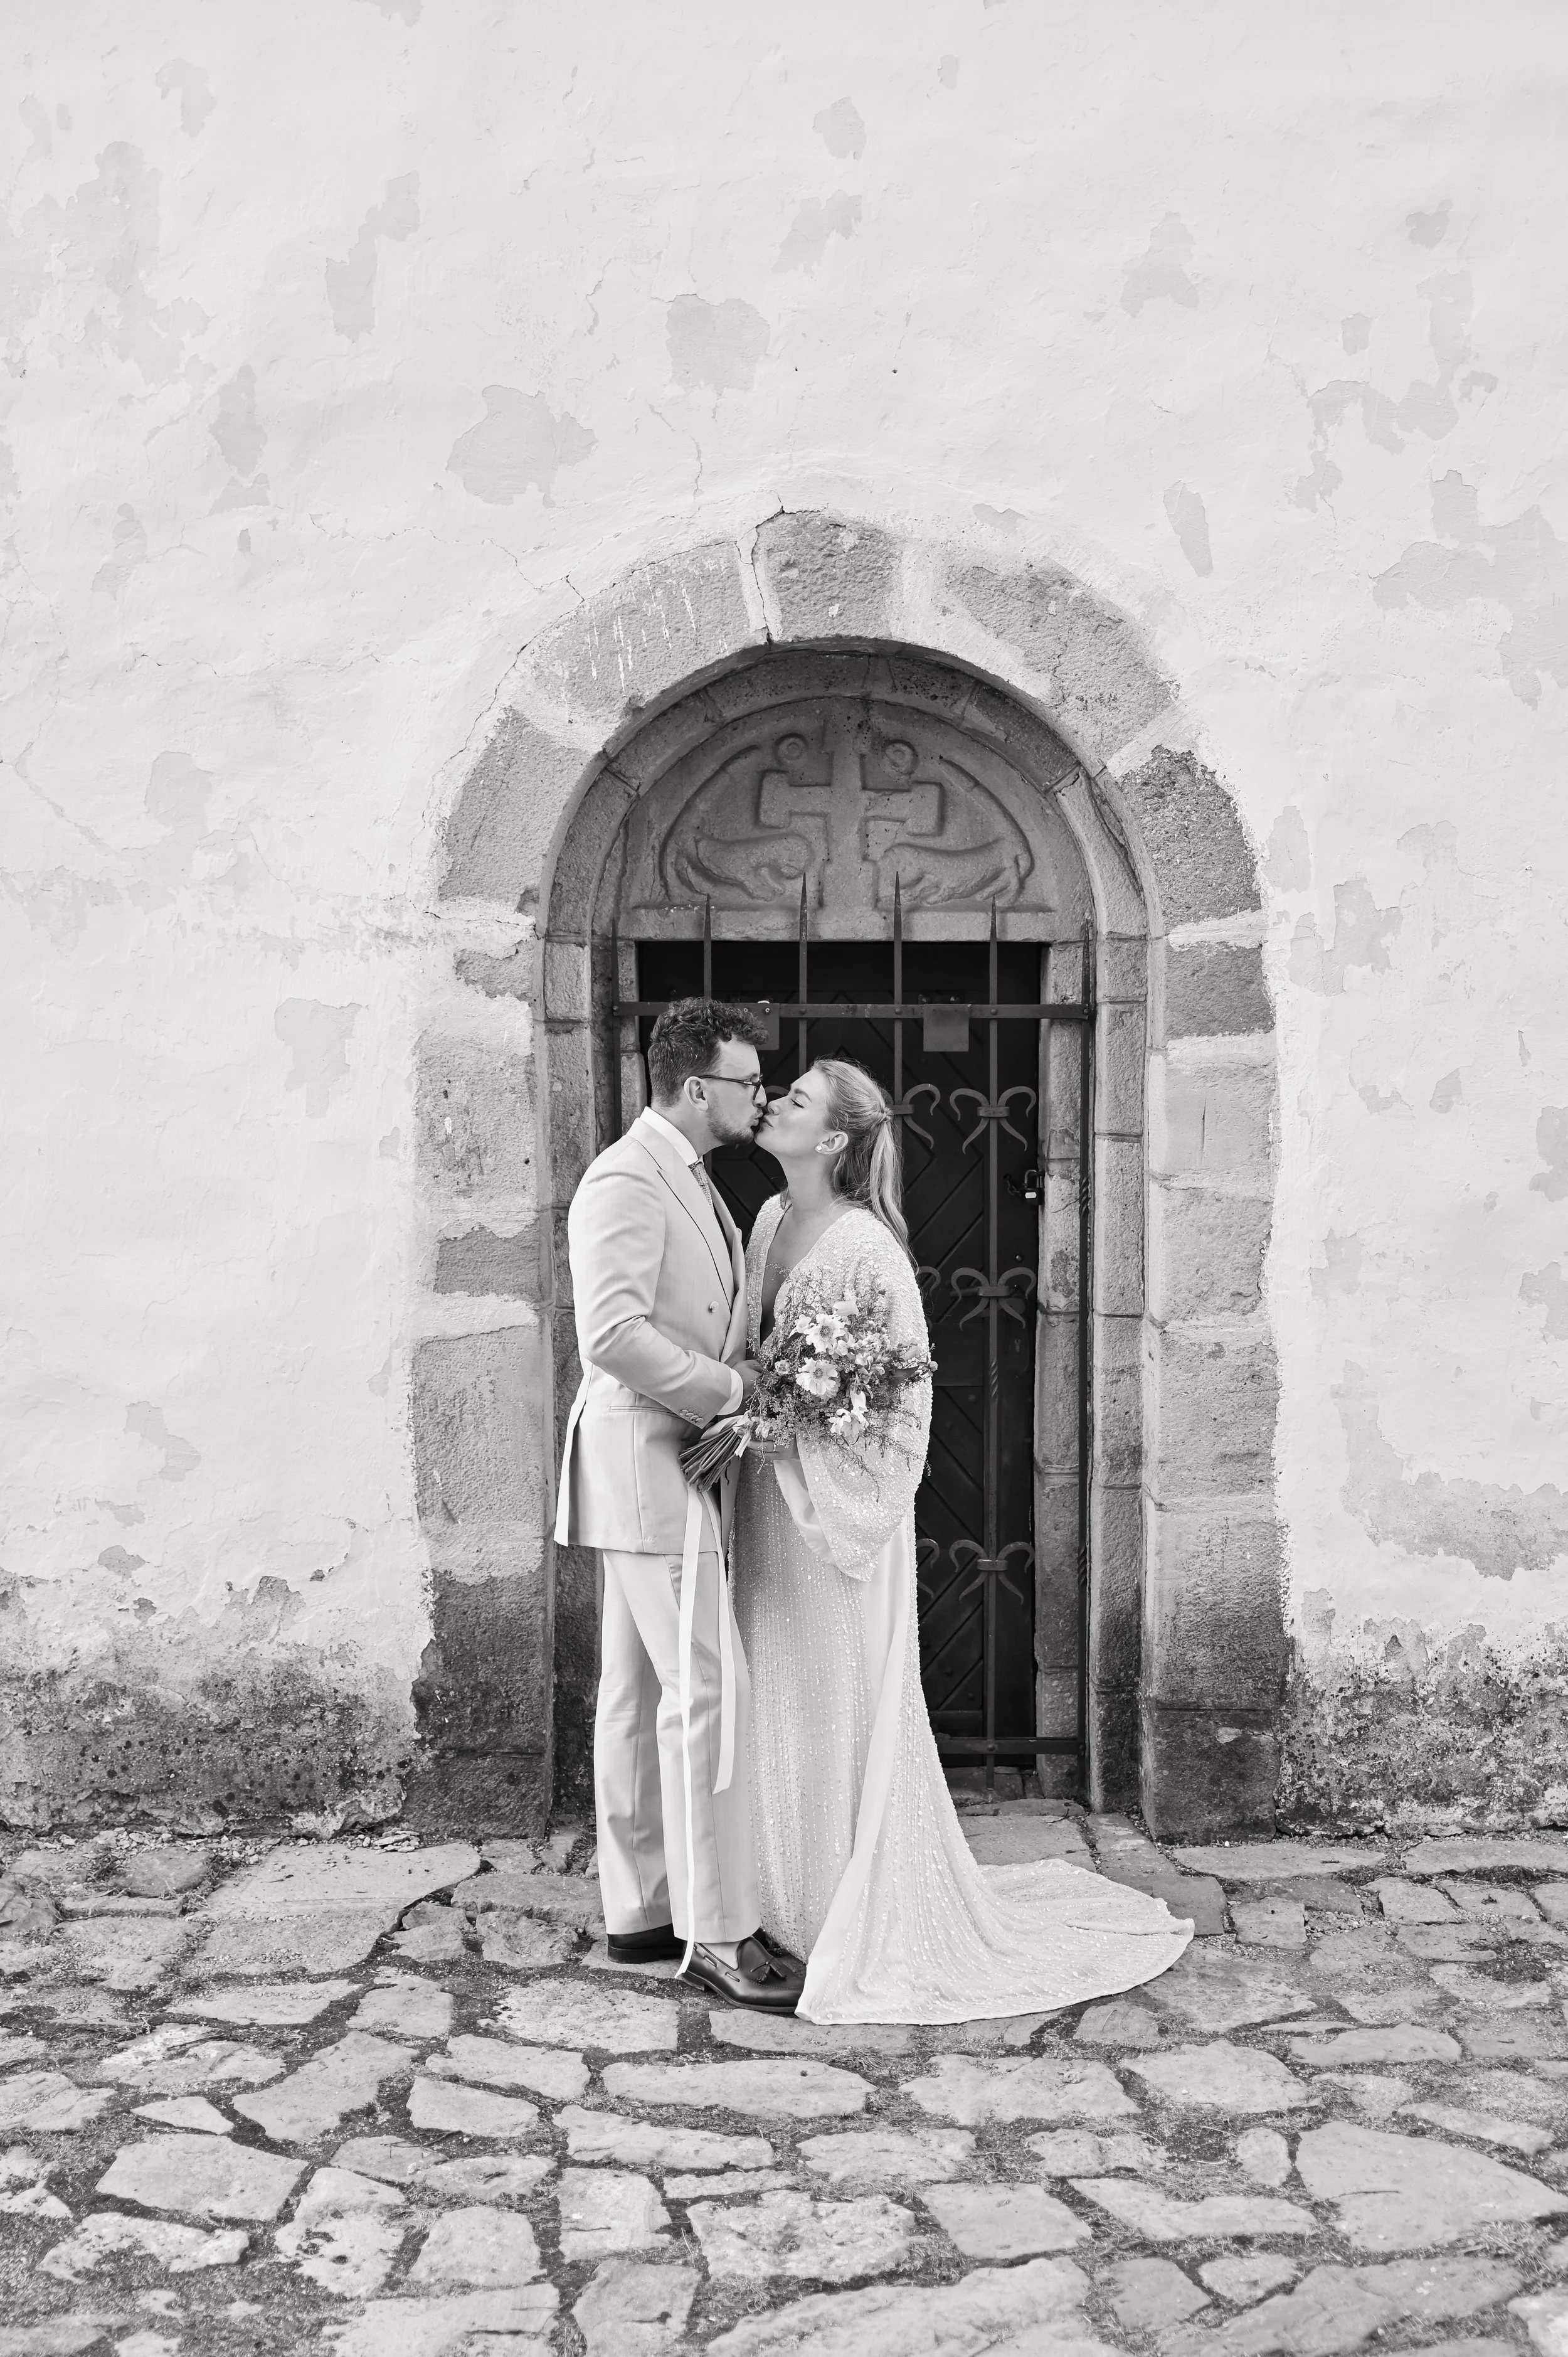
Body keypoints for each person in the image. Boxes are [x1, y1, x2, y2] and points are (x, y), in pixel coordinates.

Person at [733, 1055, 1194, 2023]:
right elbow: (751, 1351)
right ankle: (779, 1894)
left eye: (799, 1098)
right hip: (770, 1504)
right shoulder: (771, 1221)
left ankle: (847, 1908)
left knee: (840, 1694)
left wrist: (803, 1438)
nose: (774, 1099)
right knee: (776, 1688)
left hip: (835, 1523)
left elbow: (903, 1406)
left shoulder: (869, 1251)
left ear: (836, 1140)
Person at [556, 998, 803, 2012]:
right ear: (697, 1086)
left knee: (635, 1692)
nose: (760, 1095)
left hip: (656, 1458)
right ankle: (716, 1932)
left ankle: (642, 1910)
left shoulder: (683, 1172)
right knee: (708, 1692)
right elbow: (610, 1335)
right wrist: (732, 1390)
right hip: (649, 1459)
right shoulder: (625, 1178)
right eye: (748, 1081)